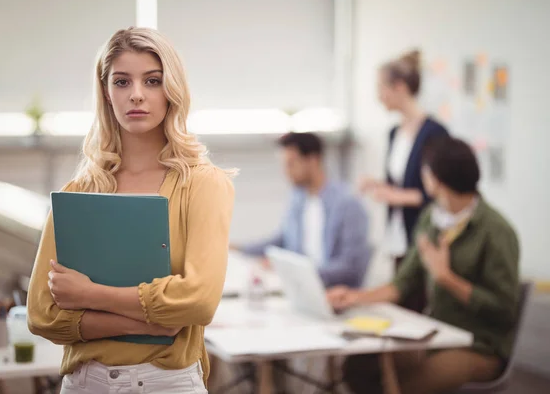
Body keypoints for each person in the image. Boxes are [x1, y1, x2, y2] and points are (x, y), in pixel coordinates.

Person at [27, 27, 235, 394]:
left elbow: (198, 302)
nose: (136, 95)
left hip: (167, 384)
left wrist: (89, 295)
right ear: (106, 93)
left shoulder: (205, 184)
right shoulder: (79, 191)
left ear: (172, 90)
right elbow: (42, 315)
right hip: (82, 383)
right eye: (122, 82)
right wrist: (150, 324)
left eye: (152, 81)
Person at [328, 136, 520, 394]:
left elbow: (505, 310)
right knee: (359, 366)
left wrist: (447, 279)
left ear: (436, 179)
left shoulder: (496, 231)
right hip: (436, 337)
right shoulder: (432, 219)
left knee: (406, 386)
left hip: (481, 347)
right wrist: (354, 297)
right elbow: (403, 283)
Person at [360, 49, 448, 312]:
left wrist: (396, 197)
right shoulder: (394, 133)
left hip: (423, 234)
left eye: (381, 88)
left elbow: (439, 192)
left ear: (399, 87)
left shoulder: (434, 133)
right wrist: (378, 186)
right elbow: (401, 184)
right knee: (401, 304)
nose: (378, 96)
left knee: (417, 304)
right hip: (397, 235)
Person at [235, 132, 371, 288]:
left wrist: (294, 272)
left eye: (291, 164)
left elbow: (351, 267)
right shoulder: (298, 199)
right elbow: (282, 239)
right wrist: (240, 249)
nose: (286, 172)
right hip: (301, 287)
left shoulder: (348, 203)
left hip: (334, 292)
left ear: (313, 160)